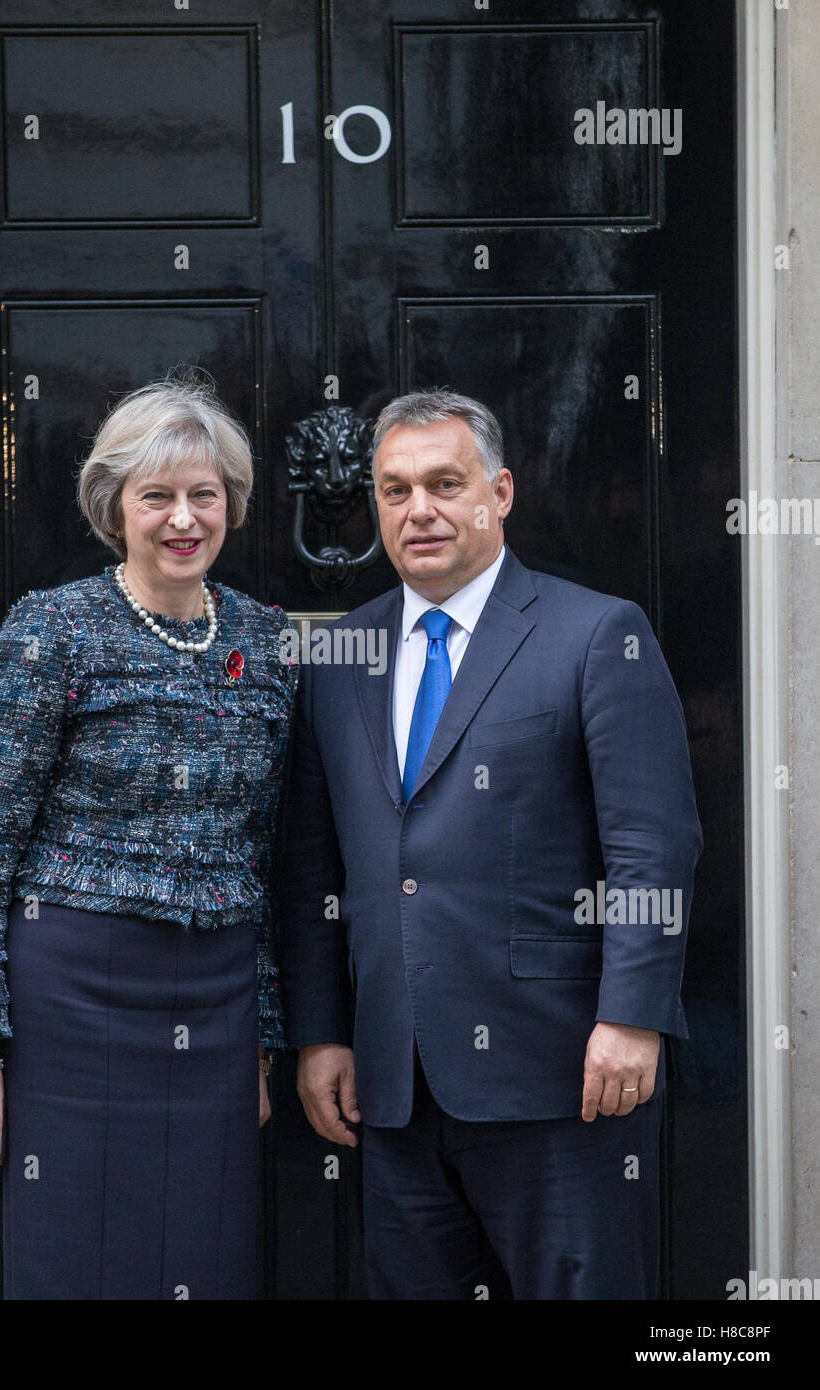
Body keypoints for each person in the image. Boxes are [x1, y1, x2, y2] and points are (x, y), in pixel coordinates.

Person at [278, 388, 702, 1300]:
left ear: (499, 493)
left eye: (444, 483)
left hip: (561, 1079)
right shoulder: (341, 659)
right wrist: (319, 1035)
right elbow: (314, 868)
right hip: (392, 1089)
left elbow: (651, 845)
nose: (419, 510)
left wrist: (631, 1015)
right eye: (394, 491)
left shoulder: (596, 633)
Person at [0, 376, 294, 1300]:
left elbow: (265, 853)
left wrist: (262, 1038)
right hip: (72, 999)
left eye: (203, 494)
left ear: (231, 505)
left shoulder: (268, 640)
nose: (182, 518)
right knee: (75, 1254)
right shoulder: (51, 631)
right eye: (155, 495)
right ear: (113, 506)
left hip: (216, 1002)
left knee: (206, 1257)